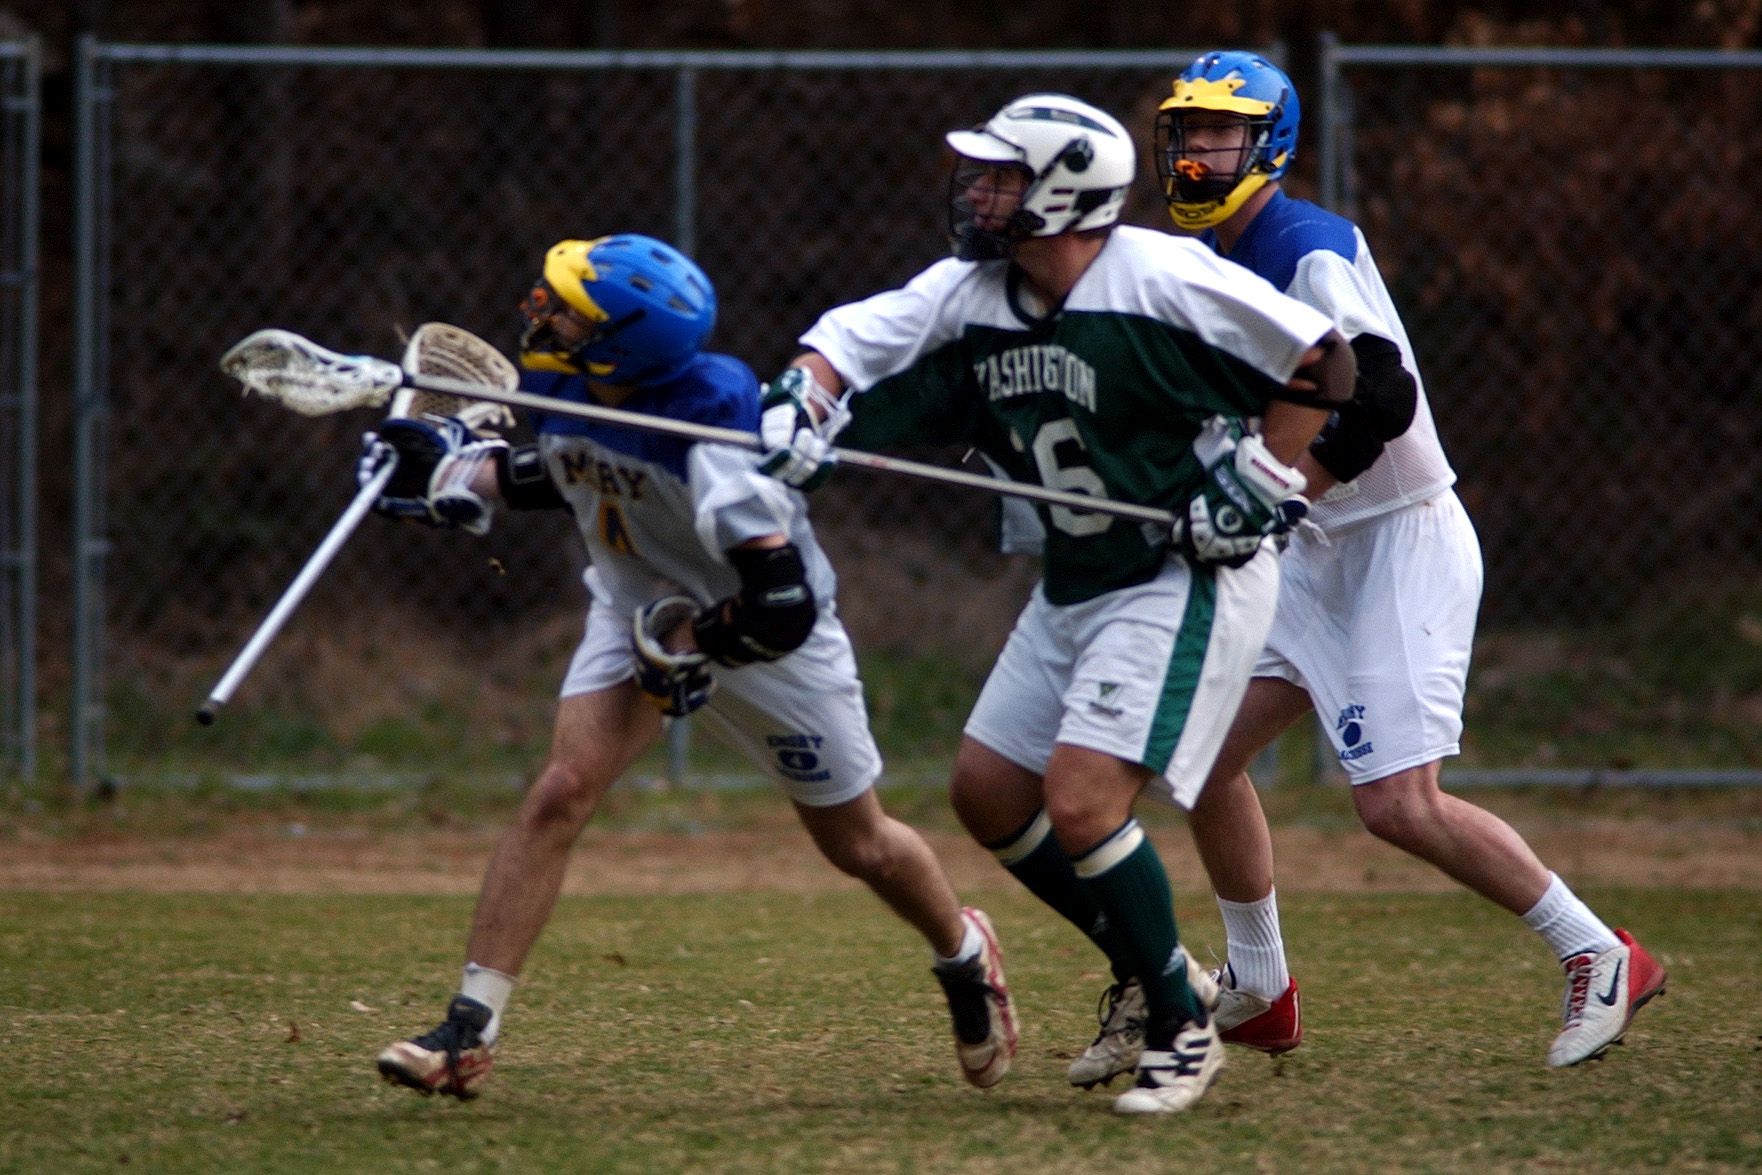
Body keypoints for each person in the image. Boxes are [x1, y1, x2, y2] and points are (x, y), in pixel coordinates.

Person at [756, 94, 1356, 1115]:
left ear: (1067, 194)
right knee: (988, 791)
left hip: (1182, 570)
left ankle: (1180, 1024)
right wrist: (804, 402)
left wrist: (1261, 474)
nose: (979, 193)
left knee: (1082, 800)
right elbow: (855, 341)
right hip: (1078, 575)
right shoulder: (975, 289)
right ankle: (1155, 971)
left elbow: (1325, 364)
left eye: (1003, 177)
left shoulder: (1160, 277)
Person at [367, 233, 1018, 1100]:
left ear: (622, 346)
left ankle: (963, 953)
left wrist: (693, 643)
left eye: (569, 312)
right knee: (561, 790)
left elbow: (780, 601)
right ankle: (468, 1030)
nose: (542, 313)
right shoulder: (567, 383)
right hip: (632, 601)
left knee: (859, 843)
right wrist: (454, 476)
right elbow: (568, 468)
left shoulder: (712, 430)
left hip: (762, 632)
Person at [1146, 50, 1666, 1071]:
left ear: (1269, 146)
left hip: (1399, 538)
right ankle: (1259, 989)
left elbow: (1380, 398)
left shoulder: (1306, 247)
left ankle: (1602, 952)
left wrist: (1282, 491)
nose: (1197, 153)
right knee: (1198, 754)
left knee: (1396, 804)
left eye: (1219, 133)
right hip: (1313, 551)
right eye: (1186, 132)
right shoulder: (1199, 262)